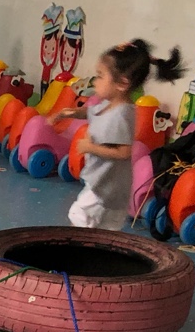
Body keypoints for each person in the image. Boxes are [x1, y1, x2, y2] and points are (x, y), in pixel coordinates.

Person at [54, 39, 184, 231]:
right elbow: (93, 112)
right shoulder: (110, 105)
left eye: (100, 76)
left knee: (79, 218)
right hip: (102, 183)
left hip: (106, 190)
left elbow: (124, 152)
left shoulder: (122, 114)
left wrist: (90, 147)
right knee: (101, 230)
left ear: (122, 83)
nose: (95, 82)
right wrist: (71, 113)